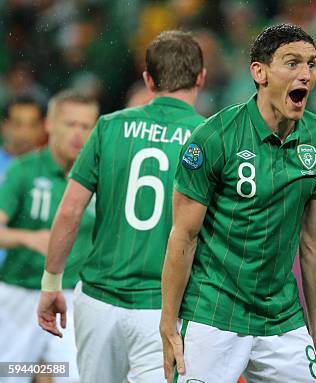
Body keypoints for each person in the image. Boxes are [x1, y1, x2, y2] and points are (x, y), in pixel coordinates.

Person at [160, 23, 316, 383]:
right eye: (292, 63)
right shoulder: (213, 137)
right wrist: (169, 323)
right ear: (259, 72)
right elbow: (183, 236)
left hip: (281, 317)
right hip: (212, 312)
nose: (306, 75)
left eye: (311, 64)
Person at [37, 30, 206, 383]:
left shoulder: (109, 126)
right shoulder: (210, 137)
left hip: (98, 300)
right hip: (163, 308)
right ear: (201, 78)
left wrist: (52, 283)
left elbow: (69, 212)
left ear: (147, 79)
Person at [0, 89, 99, 383]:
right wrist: (27, 239)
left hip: (71, 297)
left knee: (74, 376)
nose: (78, 134)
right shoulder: (24, 170)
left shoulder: (100, 176)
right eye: (70, 124)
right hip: (20, 293)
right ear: (49, 125)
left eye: (86, 126)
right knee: (11, 376)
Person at [0, 95, 46, 266]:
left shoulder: (54, 170)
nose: (25, 133)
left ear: (43, 128)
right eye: (18, 124)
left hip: (33, 275)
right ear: (4, 126)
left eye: (32, 125)